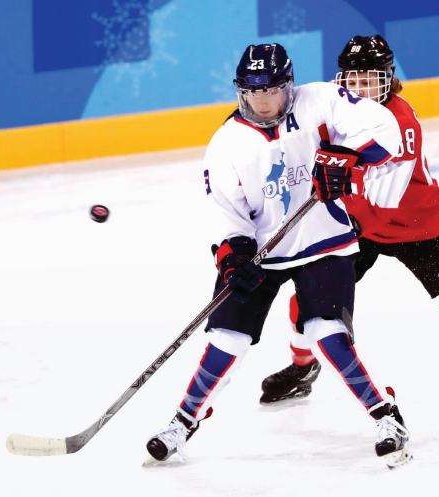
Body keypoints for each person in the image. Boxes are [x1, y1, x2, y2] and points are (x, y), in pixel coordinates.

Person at [146, 43, 413, 468]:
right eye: (252, 92)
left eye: (270, 90)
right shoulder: (227, 142)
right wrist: (233, 258)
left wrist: (346, 157)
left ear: (288, 86)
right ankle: (184, 421)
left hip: (324, 240)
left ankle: (386, 416)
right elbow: (226, 212)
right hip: (262, 253)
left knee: (328, 334)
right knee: (225, 341)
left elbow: (382, 126)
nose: (262, 100)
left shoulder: (320, 100)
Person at [259, 35, 439, 410]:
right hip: (358, 222)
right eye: (353, 80)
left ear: (388, 79)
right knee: (307, 300)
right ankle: (302, 368)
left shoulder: (399, 123)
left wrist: (336, 222)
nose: (361, 89)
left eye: (369, 80)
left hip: (422, 224)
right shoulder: (332, 109)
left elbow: (385, 202)